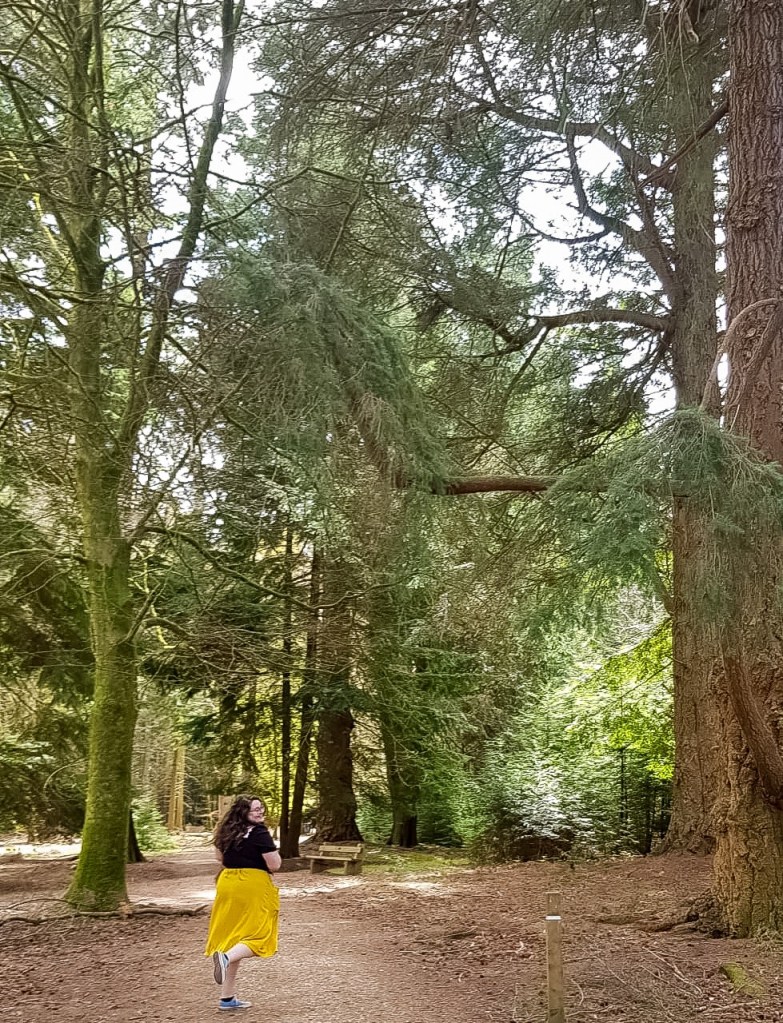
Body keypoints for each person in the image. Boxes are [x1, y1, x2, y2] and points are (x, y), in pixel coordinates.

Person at [205, 795, 282, 1011]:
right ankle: (225, 958)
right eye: (255, 810)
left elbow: (219, 858)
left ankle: (227, 998)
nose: (260, 813)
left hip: (227, 883)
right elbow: (274, 865)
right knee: (259, 934)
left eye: (261, 809)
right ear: (243, 811)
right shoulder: (259, 832)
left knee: (234, 937)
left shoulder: (225, 831)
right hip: (252, 885)